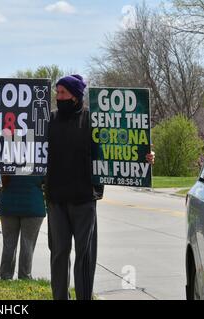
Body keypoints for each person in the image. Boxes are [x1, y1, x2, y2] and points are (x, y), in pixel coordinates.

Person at [46, 74, 155, 300]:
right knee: (59, 254)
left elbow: (120, 147)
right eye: (57, 92)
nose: (58, 97)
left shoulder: (94, 121)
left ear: (75, 96)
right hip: (56, 200)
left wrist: (145, 157)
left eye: (63, 93)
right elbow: (24, 146)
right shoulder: (50, 121)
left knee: (84, 257)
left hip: (85, 198)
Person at [0, 176, 45, 280]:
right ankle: (25, 276)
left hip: (8, 204)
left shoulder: (6, 160)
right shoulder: (38, 160)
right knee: (28, 244)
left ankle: (6, 276)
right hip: (33, 204)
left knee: (8, 243)